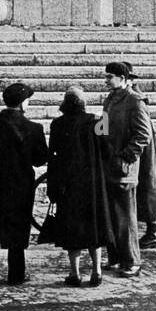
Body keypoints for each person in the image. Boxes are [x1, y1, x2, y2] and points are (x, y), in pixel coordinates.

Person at [0, 82, 48, 286]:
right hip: (21, 187)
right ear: (22, 103)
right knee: (18, 228)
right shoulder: (33, 128)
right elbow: (40, 159)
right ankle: (16, 274)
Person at [46, 87, 113, 287]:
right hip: (93, 184)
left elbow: (53, 157)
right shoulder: (99, 120)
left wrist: (53, 188)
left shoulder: (57, 124)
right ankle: (97, 271)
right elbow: (107, 152)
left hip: (69, 184)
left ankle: (74, 274)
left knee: (72, 229)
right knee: (94, 226)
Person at [99, 62, 152, 277]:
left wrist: (125, 159)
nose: (106, 80)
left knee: (125, 217)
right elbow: (102, 126)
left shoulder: (135, 100)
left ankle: (131, 261)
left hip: (123, 168)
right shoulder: (109, 99)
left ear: (122, 77)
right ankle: (114, 258)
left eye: (110, 76)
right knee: (111, 215)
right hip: (108, 164)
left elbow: (143, 135)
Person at [121, 63, 156, 249]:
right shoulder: (125, 97)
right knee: (146, 189)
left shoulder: (135, 99)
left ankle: (153, 232)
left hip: (142, 151)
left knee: (147, 189)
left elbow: (143, 130)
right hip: (141, 147)